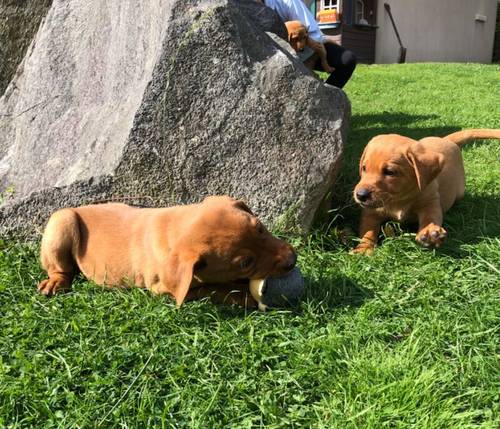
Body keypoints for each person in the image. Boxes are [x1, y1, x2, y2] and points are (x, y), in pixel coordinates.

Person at [256, 0, 357, 88]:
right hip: (266, 55)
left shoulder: (288, 2)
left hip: (304, 47)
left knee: (347, 59)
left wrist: (301, 54)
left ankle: (324, 98)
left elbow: (312, 33)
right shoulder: (242, 10)